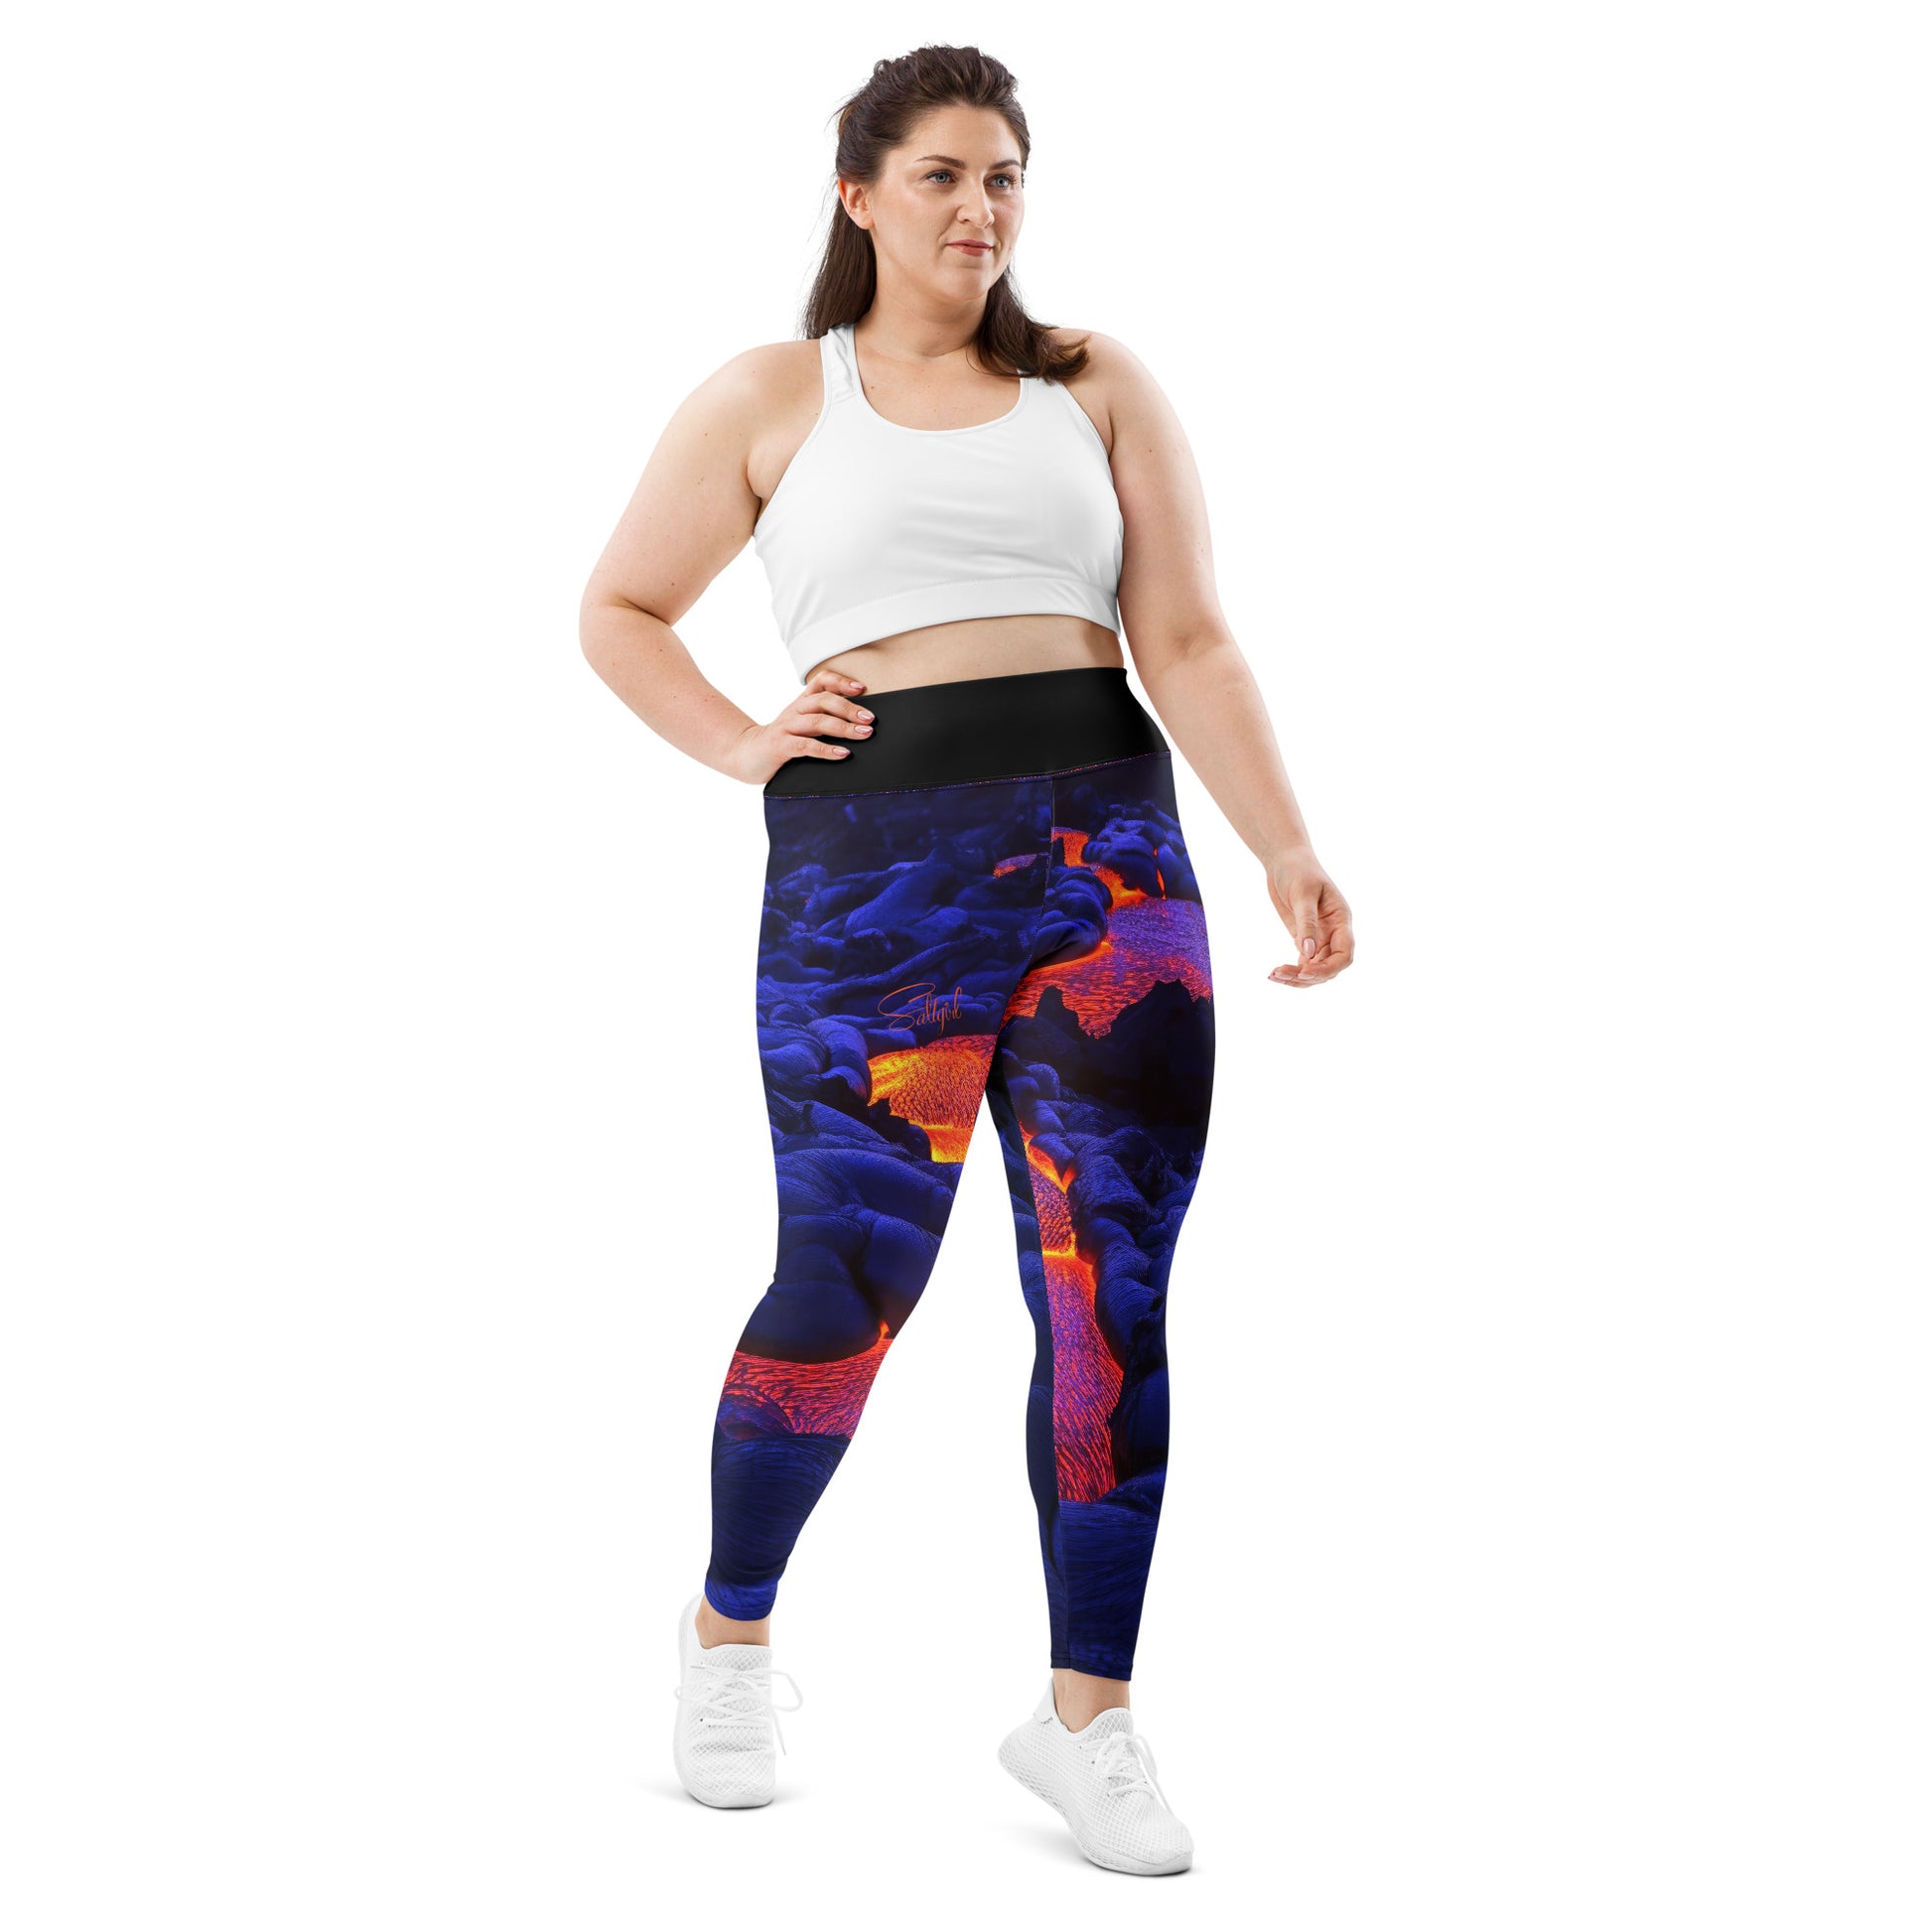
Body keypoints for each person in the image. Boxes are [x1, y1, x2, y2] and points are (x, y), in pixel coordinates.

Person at [579, 45, 1353, 1875]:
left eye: (1002, 175)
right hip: (870, 877)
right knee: (846, 1277)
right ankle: (729, 1637)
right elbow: (617, 609)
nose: (976, 208)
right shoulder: (775, 394)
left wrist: (1283, 843)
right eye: (937, 174)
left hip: (1110, 873)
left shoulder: (1092, 383)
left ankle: (1089, 1714)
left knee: (1108, 1294)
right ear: (858, 194)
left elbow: (1187, 636)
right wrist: (739, 738)